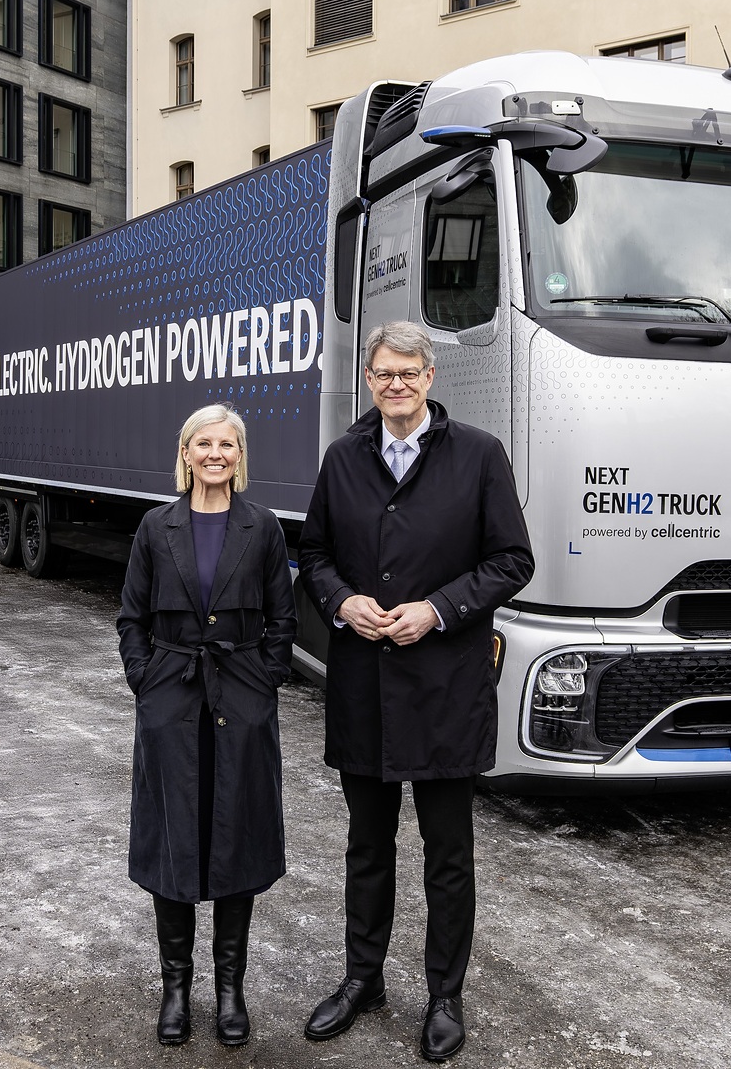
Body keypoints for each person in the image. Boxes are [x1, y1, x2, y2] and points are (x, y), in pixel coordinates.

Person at [297, 321, 535, 1063]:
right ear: (369, 381)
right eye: (383, 374)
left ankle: (444, 995)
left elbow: (512, 560)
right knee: (367, 846)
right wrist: (343, 602)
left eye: (408, 373)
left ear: (431, 377)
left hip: (445, 689)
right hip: (364, 687)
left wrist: (438, 609)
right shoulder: (343, 458)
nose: (395, 385)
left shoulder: (479, 456)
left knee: (447, 854)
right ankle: (362, 979)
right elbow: (314, 553)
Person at [118, 404, 297, 1047]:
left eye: (227, 444)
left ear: (240, 455)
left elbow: (283, 618)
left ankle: (229, 991)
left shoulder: (263, 526)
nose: (215, 454)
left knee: (234, 837)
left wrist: (264, 681)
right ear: (186, 453)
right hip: (171, 698)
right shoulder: (155, 526)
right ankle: (175, 990)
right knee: (174, 836)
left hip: (240, 700)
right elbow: (131, 617)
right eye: (204, 443)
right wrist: (146, 680)